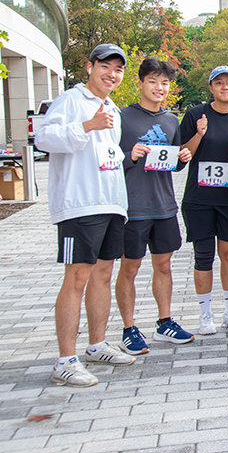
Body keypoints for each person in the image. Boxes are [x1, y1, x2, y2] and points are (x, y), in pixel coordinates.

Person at [36, 43, 135, 387]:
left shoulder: (113, 109)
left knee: (103, 275)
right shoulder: (70, 101)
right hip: (79, 206)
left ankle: (96, 344)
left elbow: (110, 155)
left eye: (118, 70)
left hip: (110, 204)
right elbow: (44, 138)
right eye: (106, 66)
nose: (112, 74)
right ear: (90, 67)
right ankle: (66, 359)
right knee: (76, 278)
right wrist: (87, 125)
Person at [116, 58, 195, 355]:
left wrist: (182, 159)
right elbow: (110, 160)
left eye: (164, 83)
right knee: (130, 268)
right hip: (132, 208)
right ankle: (129, 327)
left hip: (164, 206)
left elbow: (170, 164)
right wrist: (129, 154)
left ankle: (165, 322)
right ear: (139, 83)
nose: (159, 88)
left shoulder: (171, 120)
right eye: (153, 81)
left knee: (163, 265)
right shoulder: (122, 118)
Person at [180, 65, 228, 335]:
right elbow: (183, 155)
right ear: (210, 87)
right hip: (200, 199)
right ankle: (204, 314)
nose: (225, 87)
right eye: (218, 83)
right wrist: (199, 134)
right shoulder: (196, 114)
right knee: (203, 256)